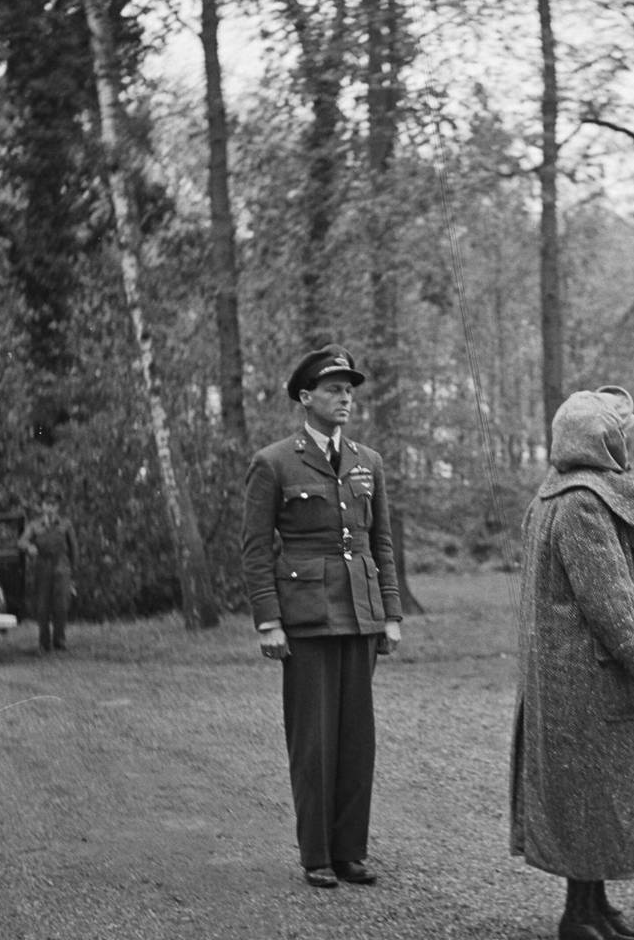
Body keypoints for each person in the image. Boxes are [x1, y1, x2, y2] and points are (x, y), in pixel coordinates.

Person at [511, 386, 634, 940]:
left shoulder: (560, 494)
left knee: (590, 800)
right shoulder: (583, 503)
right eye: (617, 434)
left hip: (575, 675)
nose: (625, 441)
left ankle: (594, 908)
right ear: (600, 442)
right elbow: (608, 594)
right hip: (589, 678)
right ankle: (579, 916)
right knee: (589, 799)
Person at [241, 344, 403, 888]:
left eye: (349, 389)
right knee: (313, 740)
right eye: (334, 389)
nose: (345, 398)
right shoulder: (274, 462)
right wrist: (268, 620)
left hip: (360, 613)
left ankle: (351, 851)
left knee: (358, 739)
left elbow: (381, 542)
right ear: (305, 397)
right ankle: (316, 855)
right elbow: (256, 548)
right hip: (306, 615)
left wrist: (391, 614)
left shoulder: (367, 461)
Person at [18, 491, 77, 653]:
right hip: (43, 566)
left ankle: (59, 640)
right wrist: (29, 547)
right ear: (42, 506)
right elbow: (21, 541)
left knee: (62, 605)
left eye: (53, 505)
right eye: (47, 504)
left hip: (62, 566)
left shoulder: (66, 524)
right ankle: (44, 643)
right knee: (42, 606)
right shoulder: (34, 525)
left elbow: (74, 550)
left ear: (57, 507)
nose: (50, 508)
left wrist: (73, 574)